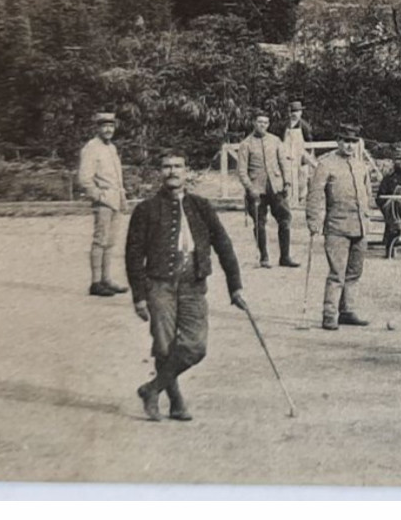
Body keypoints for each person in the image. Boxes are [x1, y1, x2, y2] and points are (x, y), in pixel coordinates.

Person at [125, 154, 245, 422]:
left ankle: (151, 389)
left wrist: (235, 286)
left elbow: (223, 245)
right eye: (166, 166)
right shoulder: (146, 209)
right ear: (160, 171)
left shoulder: (201, 206)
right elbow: (133, 255)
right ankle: (176, 401)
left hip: (194, 285)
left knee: (196, 345)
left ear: (186, 171)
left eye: (177, 166)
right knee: (164, 346)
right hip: (159, 285)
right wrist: (139, 297)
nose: (172, 171)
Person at [304, 125, 376, 330]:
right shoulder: (326, 165)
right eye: (345, 141)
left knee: (355, 272)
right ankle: (329, 314)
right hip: (336, 227)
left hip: (360, 226)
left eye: (353, 142)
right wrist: (313, 220)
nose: (349, 145)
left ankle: (348, 311)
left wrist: (368, 217)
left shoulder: (361, 165)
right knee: (337, 273)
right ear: (338, 141)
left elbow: (367, 193)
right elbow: (315, 194)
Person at [235, 113, 296, 268]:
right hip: (257, 189)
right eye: (259, 122)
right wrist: (250, 188)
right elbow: (241, 171)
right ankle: (264, 257)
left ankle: (285, 257)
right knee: (259, 223)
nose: (263, 125)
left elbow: (284, 162)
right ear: (254, 123)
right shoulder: (246, 144)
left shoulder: (275, 141)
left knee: (285, 219)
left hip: (276, 187)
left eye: (265, 122)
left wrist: (287, 182)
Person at [78, 111, 128, 297]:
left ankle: (106, 279)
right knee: (100, 240)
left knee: (111, 242)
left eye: (111, 126)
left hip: (115, 200)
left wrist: (122, 198)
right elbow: (84, 178)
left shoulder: (111, 148)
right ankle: (95, 282)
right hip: (103, 201)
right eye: (104, 126)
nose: (108, 129)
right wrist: (99, 196)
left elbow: (117, 177)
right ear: (97, 127)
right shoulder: (91, 148)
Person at [280, 100, 316, 211]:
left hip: (302, 155)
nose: (294, 114)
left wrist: (307, 157)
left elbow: (309, 142)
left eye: (297, 111)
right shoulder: (286, 124)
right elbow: (281, 140)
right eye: (292, 111)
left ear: (301, 113)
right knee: (288, 178)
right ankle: (290, 200)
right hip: (288, 155)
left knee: (302, 178)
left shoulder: (304, 126)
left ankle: (302, 198)